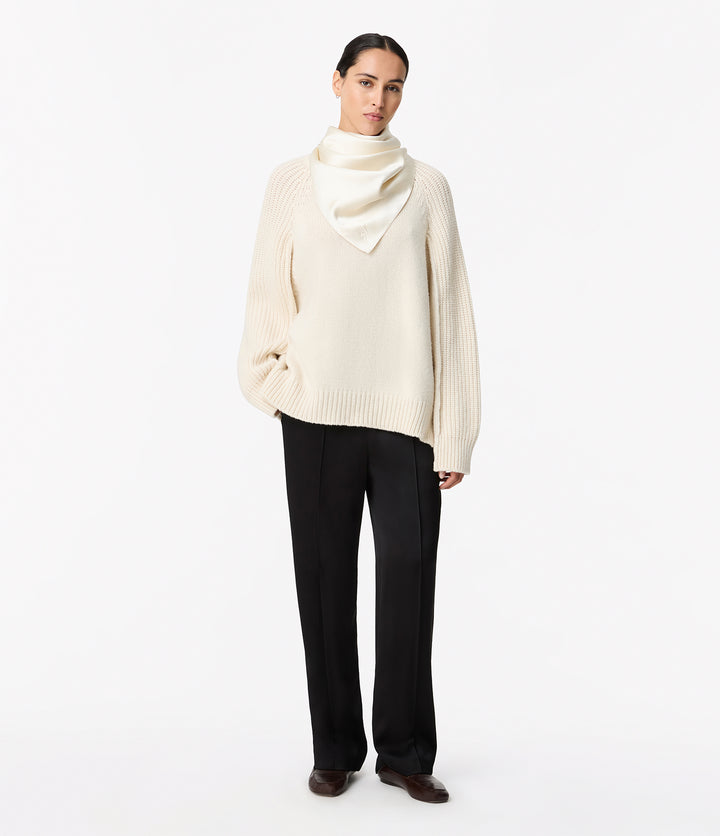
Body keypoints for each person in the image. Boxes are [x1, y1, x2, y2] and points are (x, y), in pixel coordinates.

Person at [237, 33, 481, 804]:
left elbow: (450, 312)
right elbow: (268, 296)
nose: (379, 99)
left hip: (407, 419)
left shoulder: (429, 189)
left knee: (409, 581)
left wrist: (455, 428)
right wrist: (275, 384)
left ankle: (405, 751)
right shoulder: (290, 184)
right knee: (323, 585)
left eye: (394, 86)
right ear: (338, 82)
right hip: (315, 416)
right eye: (367, 81)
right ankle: (335, 749)